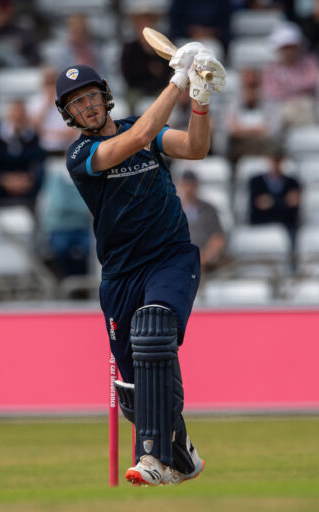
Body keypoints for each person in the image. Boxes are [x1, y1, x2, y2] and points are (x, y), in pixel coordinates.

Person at [54, 42, 227, 485]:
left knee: (153, 331)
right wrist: (179, 80)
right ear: (69, 115)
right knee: (133, 390)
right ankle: (182, 454)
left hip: (170, 256)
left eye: (91, 97)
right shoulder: (80, 156)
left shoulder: (140, 127)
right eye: (77, 104)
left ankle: (150, 457)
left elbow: (194, 147)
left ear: (105, 95)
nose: (87, 107)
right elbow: (134, 141)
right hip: (120, 274)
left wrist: (200, 100)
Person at [262, 22, 319, 137]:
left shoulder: (311, 62)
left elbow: (313, 83)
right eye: (285, 48)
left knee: (305, 105)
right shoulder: (271, 68)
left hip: (305, 107)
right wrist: (298, 88)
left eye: (292, 47)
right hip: (281, 109)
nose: (289, 51)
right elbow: (270, 92)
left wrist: (286, 86)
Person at [0, 101, 45, 210]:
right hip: (3, 183)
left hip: (26, 183)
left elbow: (38, 161)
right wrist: (4, 179)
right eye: (15, 114)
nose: (18, 118)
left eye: (21, 115)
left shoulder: (32, 138)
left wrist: (27, 179)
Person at [121, 5, 172, 110]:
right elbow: (127, 74)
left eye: (149, 22)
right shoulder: (130, 48)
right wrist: (149, 69)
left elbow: (169, 69)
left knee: (168, 99)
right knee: (130, 101)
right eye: (141, 23)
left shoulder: (164, 46)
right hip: (137, 89)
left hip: (160, 88)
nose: (145, 26)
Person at [249, 144, 301, 244]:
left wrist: (271, 202)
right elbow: (258, 204)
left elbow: (294, 204)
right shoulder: (256, 182)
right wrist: (284, 201)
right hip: (261, 226)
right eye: (274, 159)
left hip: (286, 228)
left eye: (279, 160)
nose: (276, 163)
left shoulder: (292, 182)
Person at [178, 171, 227, 271]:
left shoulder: (209, 209)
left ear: (197, 186)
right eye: (186, 185)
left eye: (192, 185)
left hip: (205, 261)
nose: (189, 188)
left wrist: (207, 255)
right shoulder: (174, 210)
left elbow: (218, 236)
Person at [26, 67, 77, 157]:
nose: (51, 86)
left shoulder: (68, 101)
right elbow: (32, 128)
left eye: (53, 82)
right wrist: (47, 105)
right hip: (40, 151)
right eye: (48, 82)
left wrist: (52, 134)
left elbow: (74, 129)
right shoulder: (33, 102)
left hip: (65, 150)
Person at [227, 68, 270, 164]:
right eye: (247, 86)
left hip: (262, 151)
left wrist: (242, 129)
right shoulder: (233, 105)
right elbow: (232, 130)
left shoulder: (268, 105)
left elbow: (269, 131)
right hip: (239, 153)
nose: (250, 90)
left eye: (253, 86)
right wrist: (256, 130)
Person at [50, 14, 108, 79]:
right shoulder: (60, 53)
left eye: (82, 31)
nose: (79, 35)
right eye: (76, 31)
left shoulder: (96, 50)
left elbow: (104, 74)